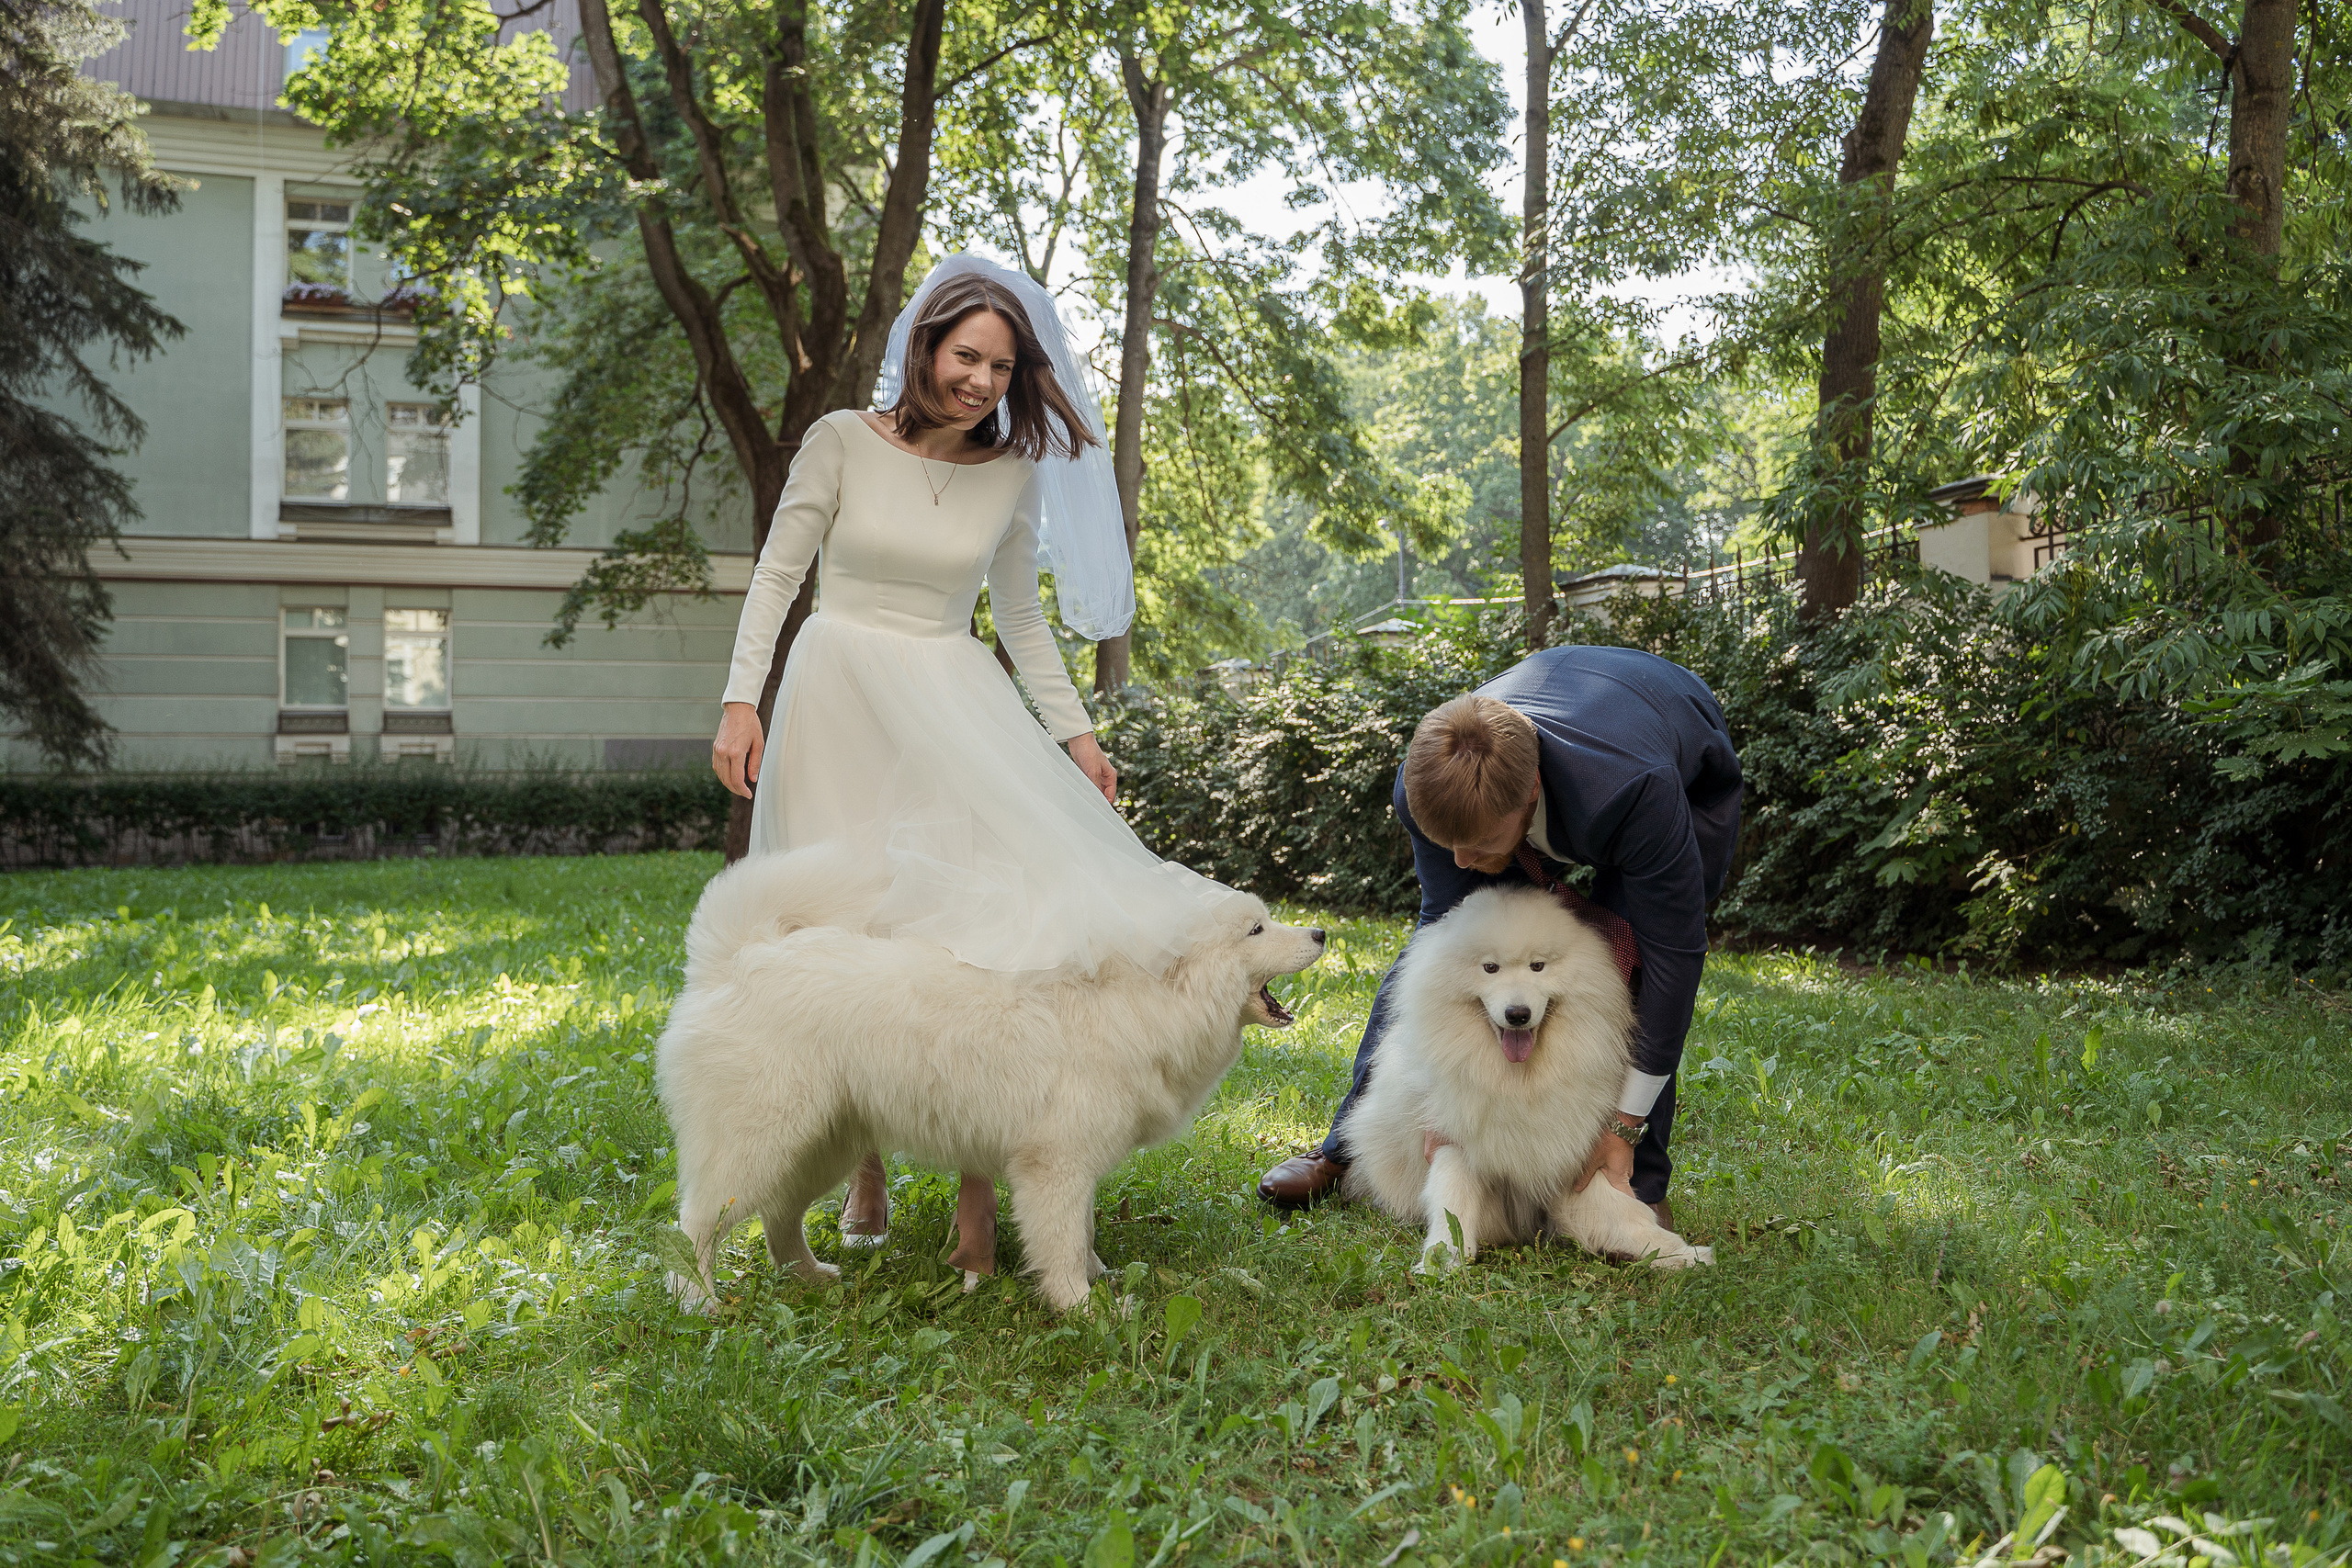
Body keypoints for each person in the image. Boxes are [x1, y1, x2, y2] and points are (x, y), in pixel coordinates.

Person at [711, 254, 1227, 1280]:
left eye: (1001, 366)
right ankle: (863, 1166)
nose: (982, 381)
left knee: (970, 934)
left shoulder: (1012, 473)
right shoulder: (840, 442)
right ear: (925, 347)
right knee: (850, 929)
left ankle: (978, 1211)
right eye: (966, 357)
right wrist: (740, 698)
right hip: (836, 691)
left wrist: (1076, 736)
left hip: (953, 703)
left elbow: (1022, 619)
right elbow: (779, 571)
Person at [1256, 645, 1742, 1226]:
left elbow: (1675, 963)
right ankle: (1340, 1150)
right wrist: (1439, 1101)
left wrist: (1625, 1124)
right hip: (1560, 727)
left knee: (1630, 962)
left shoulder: (1634, 793)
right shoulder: (1428, 791)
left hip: (1675, 771)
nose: (1460, 861)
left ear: (1531, 793)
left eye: (1479, 844)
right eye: (1448, 845)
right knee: (1442, 950)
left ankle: (1635, 1175)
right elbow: (1441, 944)